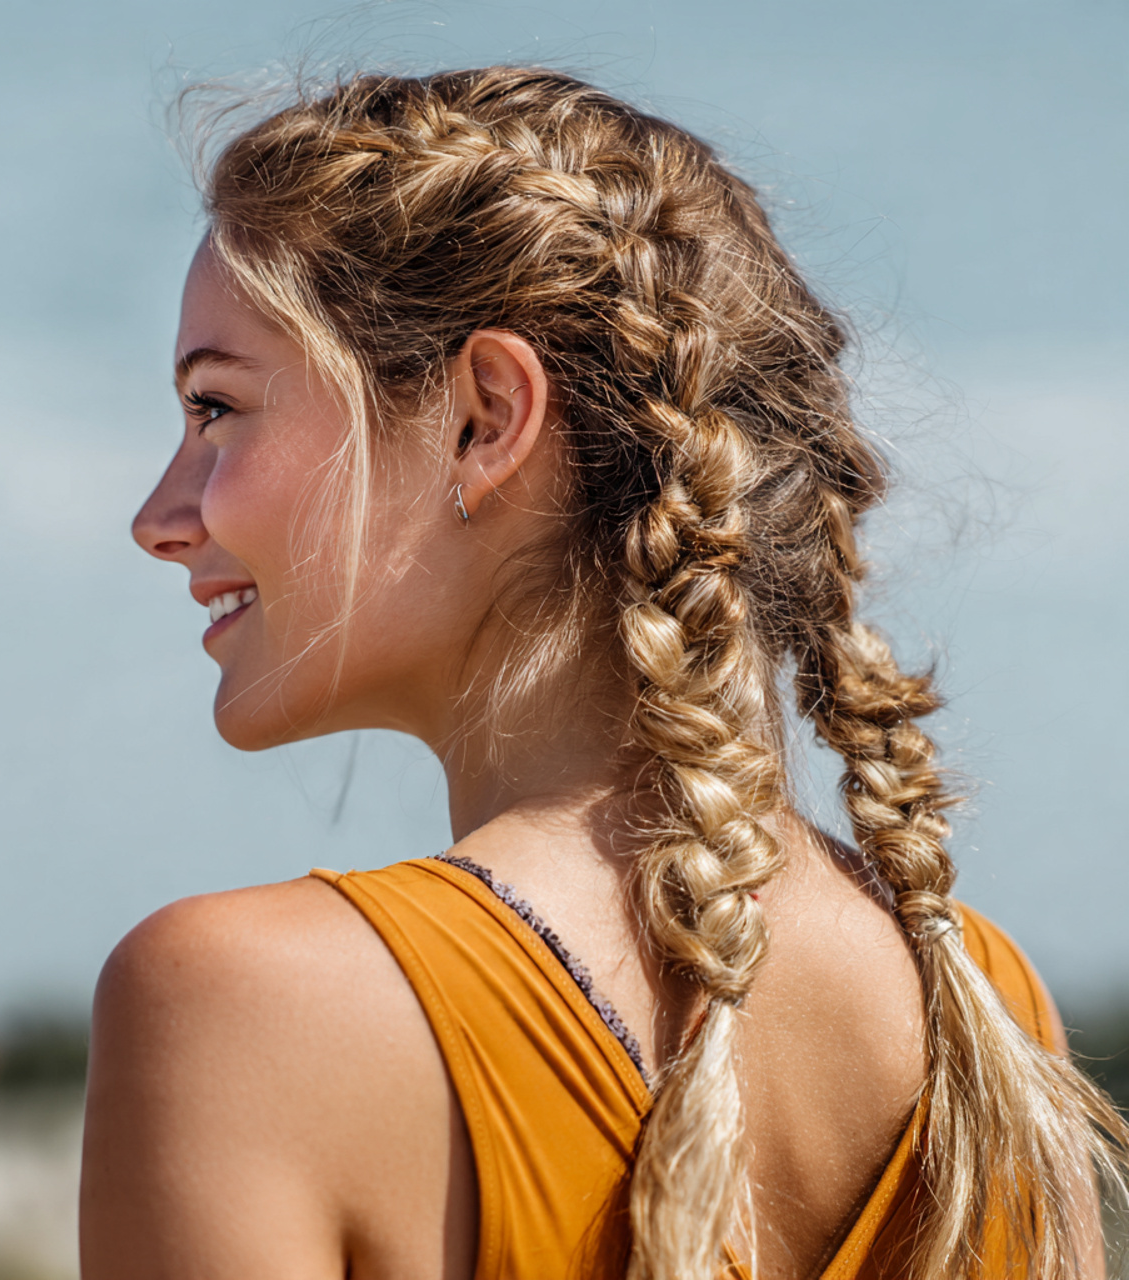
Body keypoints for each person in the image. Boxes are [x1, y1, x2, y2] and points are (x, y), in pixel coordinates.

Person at [79, 68, 1125, 1279]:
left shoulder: (243, 1005)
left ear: (484, 415)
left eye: (214, 408)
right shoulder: (981, 1005)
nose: (160, 515)